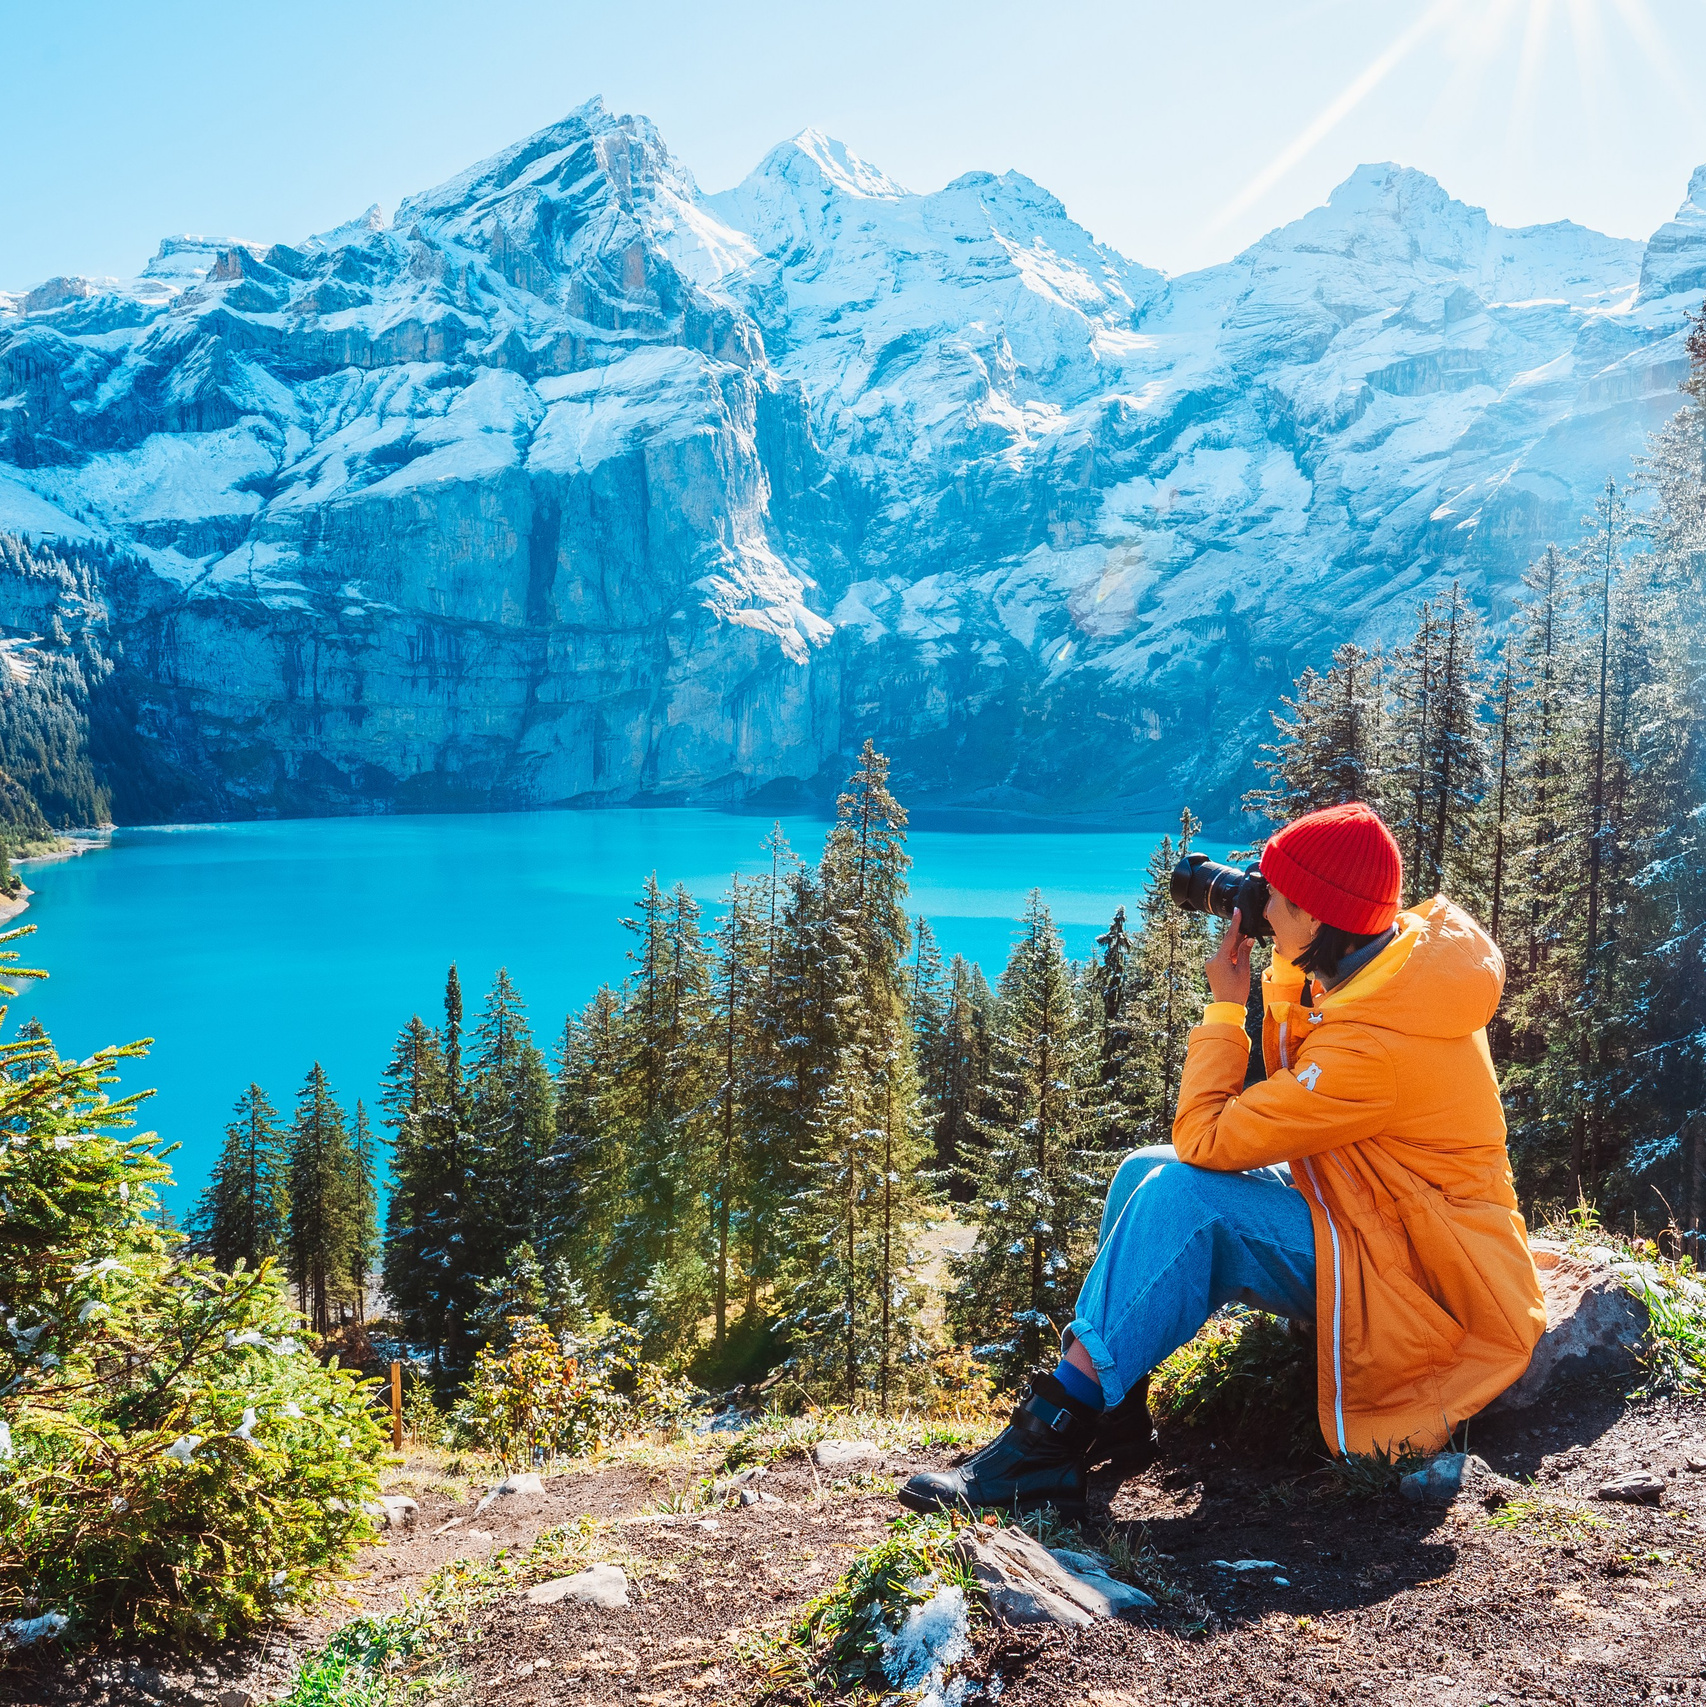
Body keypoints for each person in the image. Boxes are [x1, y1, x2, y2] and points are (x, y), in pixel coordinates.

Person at [901, 800, 1545, 1518]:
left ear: (1322, 922)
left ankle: (1047, 1441)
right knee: (1143, 1171)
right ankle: (1112, 1412)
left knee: (1185, 1193)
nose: (1260, 904)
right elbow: (1299, 1050)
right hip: (1368, 1203)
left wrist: (1224, 1006)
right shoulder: (1391, 961)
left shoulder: (1374, 1048)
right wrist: (1291, 946)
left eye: (1276, 899)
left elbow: (1206, 1139)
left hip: (1421, 1270)